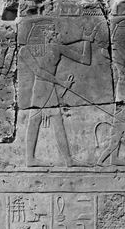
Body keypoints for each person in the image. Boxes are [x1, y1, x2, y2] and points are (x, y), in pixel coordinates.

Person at [19, 20, 97, 167]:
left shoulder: (56, 48)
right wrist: (61, 82)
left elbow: (85, 59)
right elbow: (38, 71)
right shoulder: (25, 50)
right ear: (42, 33)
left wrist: (87, 41)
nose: (55, 32)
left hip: (48, 88)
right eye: (51, 30)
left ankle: (67, 160)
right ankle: (31, 159)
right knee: (37, 119)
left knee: (55, 120)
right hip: (41, 88)